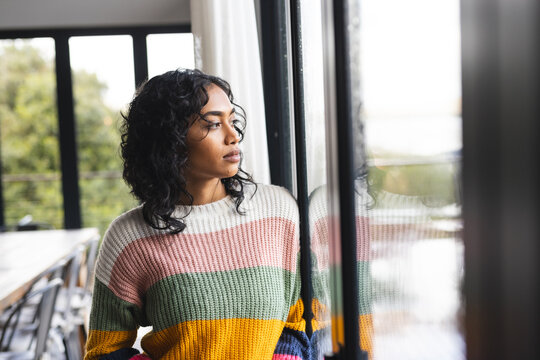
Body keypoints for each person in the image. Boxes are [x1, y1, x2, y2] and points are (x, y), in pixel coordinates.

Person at [84, 69, 310, 360]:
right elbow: (104, 352)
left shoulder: (278, 211)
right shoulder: (129, 236)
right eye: (214, 124)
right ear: (171, 139)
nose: (232, 136)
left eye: (233, 121)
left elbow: (299, 320)